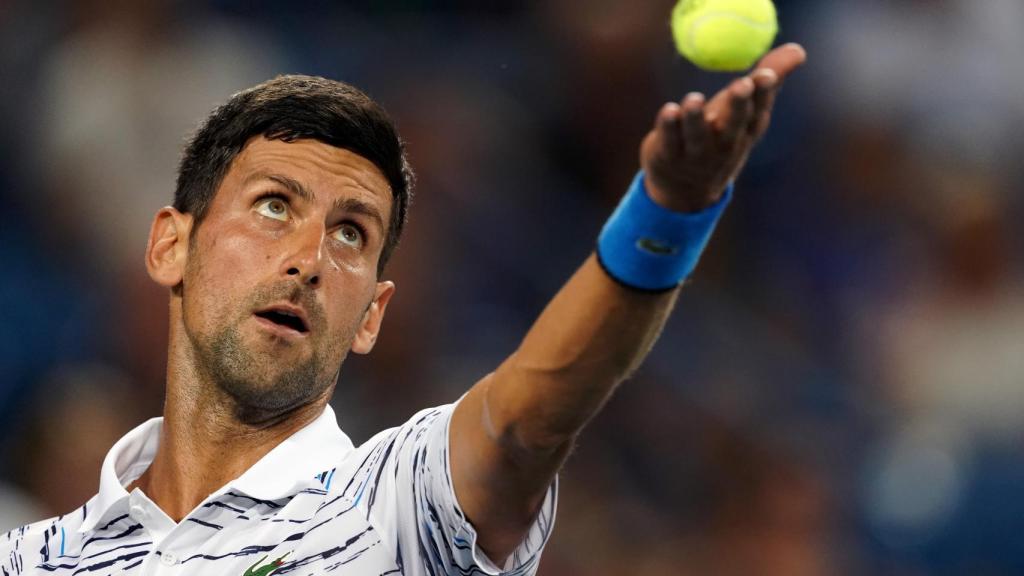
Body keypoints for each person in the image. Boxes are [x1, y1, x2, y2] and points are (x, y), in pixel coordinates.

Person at [1, 44, 806, 575]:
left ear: (372, 316)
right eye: (274, 206)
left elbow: (528, 420)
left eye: (351, 233)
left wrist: (666, 213)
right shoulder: (31, 560)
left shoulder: (395, 505)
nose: (309, 260)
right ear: (170, 246)